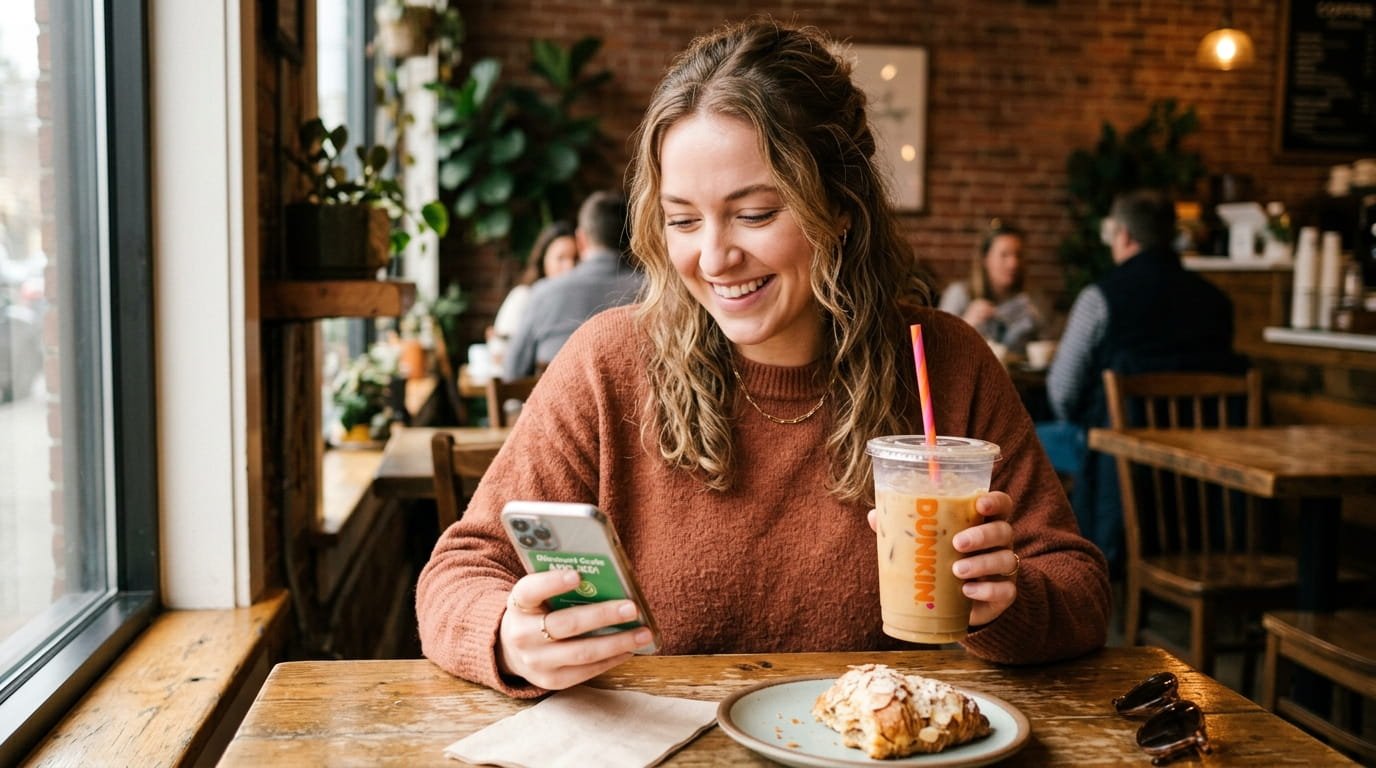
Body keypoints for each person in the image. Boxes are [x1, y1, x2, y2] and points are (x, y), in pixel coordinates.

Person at [418, 18, 1110, 697]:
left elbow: (1079, 589)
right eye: (683, 219)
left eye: (754, 214)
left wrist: (1007, 602)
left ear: (838, 207)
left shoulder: (943, 360)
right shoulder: (611, 361)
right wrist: (507, 635)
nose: (713, 258)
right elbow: (458, 571)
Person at [1044, 188, 1242, 573]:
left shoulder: (1100, 297)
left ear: (1123, 236)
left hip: (1117, 470)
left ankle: (1057, 570)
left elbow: (1062, 388)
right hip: (1202, 474)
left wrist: (1082, 419)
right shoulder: (1217, 302)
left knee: (1024, 442)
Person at [501, 190, 642, 380]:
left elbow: (512, 373)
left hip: (558, 407)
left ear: (581, 240)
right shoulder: (655, 292)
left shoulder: (544, 294)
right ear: (631, 238)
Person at [938, 221, 1048, 356]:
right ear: (985, 259)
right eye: (1004, 255)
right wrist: (967, 323)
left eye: (1018, 255)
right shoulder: (959, 294)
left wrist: (1039, 321)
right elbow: (939, 350)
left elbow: (1048, 348)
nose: (1013, 264)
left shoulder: (1031, 299)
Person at [490, 220, 578, 345]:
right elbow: (500, 346)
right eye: (561, 258)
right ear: (543, 260)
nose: (570, 266)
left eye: (575, 258)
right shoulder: (524, 296)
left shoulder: (579, 300)